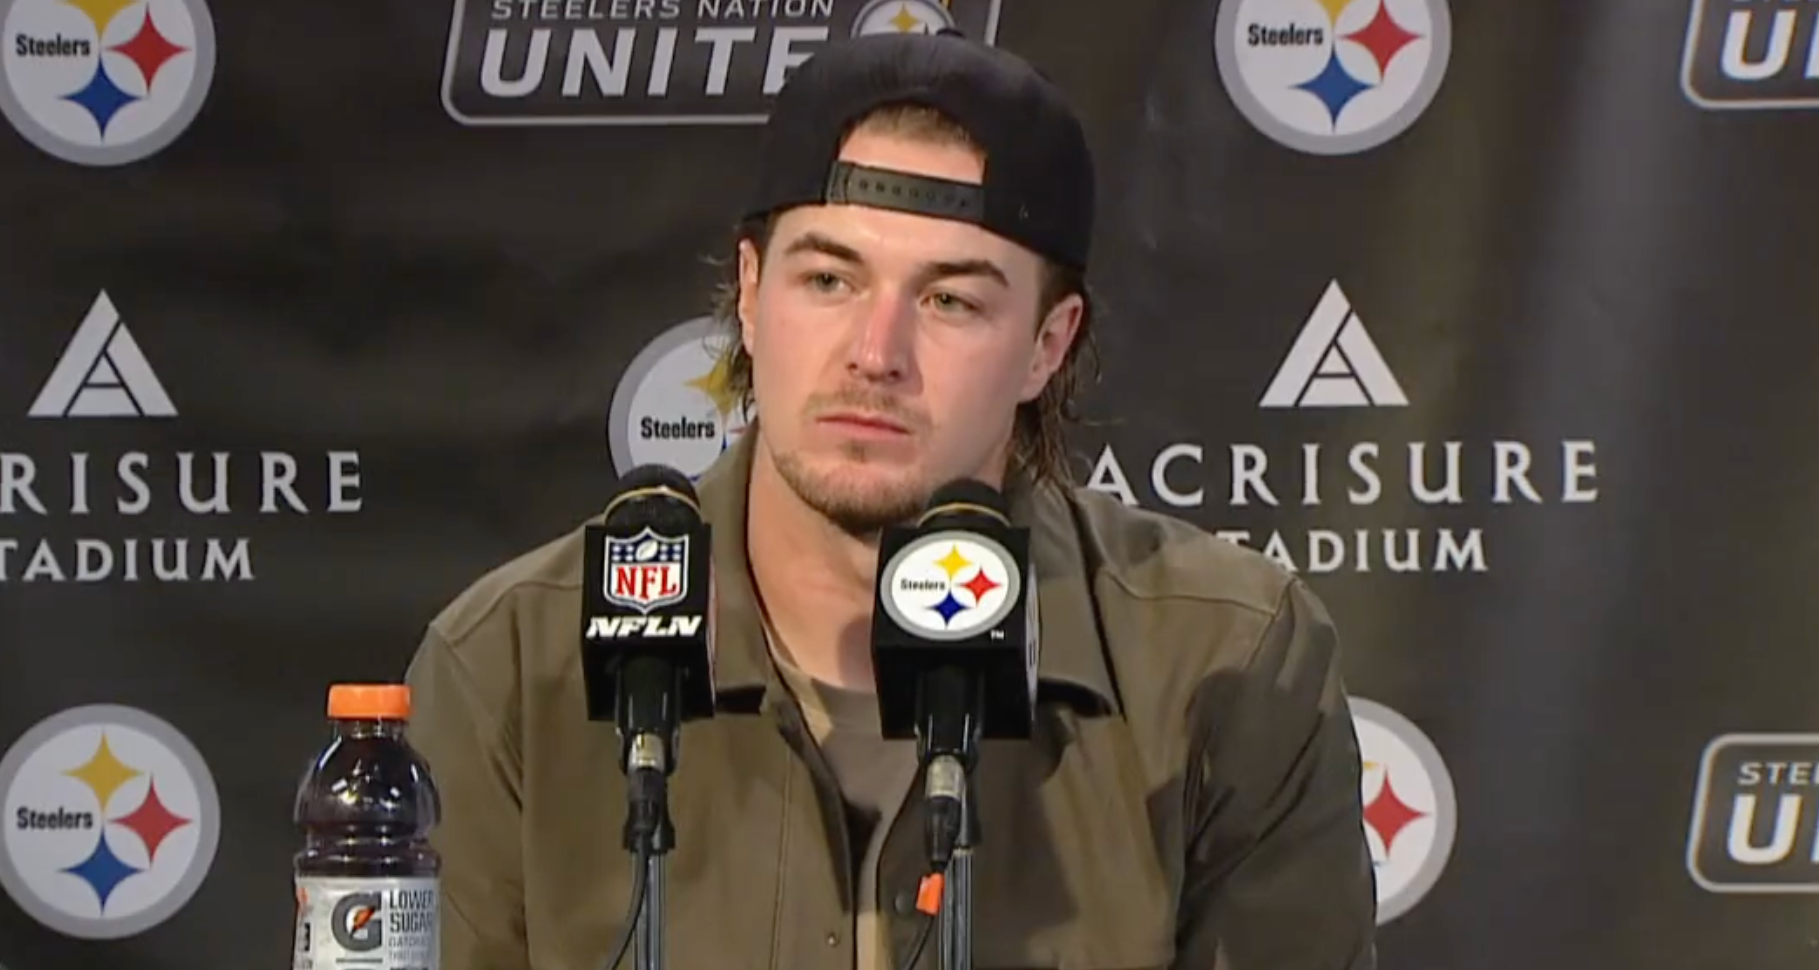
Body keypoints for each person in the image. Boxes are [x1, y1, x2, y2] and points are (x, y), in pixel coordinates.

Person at [403, 28, 1379, 970]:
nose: (876, 354)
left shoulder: (1229, 665)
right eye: (829, 279)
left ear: (1047, 344)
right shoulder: (510, 666)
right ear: (751, 293)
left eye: (950, 299)